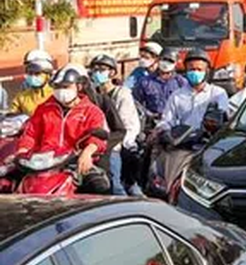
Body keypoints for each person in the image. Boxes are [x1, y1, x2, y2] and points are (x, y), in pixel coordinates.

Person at [13, 65, 108, 187]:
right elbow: (30, 134)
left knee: (99, 186)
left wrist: (87, 152)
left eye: (66, 86)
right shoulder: (43, 109)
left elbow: (98, 137)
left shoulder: (92, 111)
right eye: (57, 87)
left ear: (78, 87)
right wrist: (22, 151)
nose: (61, 91)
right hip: (42, 163)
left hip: (73, 162)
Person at [154, 52, 229, 188]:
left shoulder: (218, 94)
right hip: (182, 148)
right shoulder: (177, 95)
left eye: (199, 69)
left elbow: (222, 120)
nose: (195, 72)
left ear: (207, 71)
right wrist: (165, 132)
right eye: (191, 69)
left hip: (207, 147)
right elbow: (166, 120)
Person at [89, 54, 141, 196]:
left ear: (112, 72)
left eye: (102, 69)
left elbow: (125, 127)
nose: (97, 73)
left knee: (114, 185)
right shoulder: (94, 95)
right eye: (95, 69)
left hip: (120, 141)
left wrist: (111, 143)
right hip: (99, 141)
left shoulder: (122, 94)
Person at [132, 47, 188, 118]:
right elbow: (135, 101)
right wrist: (149, 114)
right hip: (152, 123)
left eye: (170, 61)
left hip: (175, 122)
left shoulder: (181, 82)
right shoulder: (145, 82)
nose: (166, 63)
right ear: (158, 59)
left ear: (176, 63)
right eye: (164, 59)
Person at [8, 49, 55, 116]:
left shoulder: (56, 95)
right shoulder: (21, 98)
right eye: (30, 73)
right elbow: (11, 119)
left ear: (48, 75)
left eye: (37, 73)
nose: (33, 76)